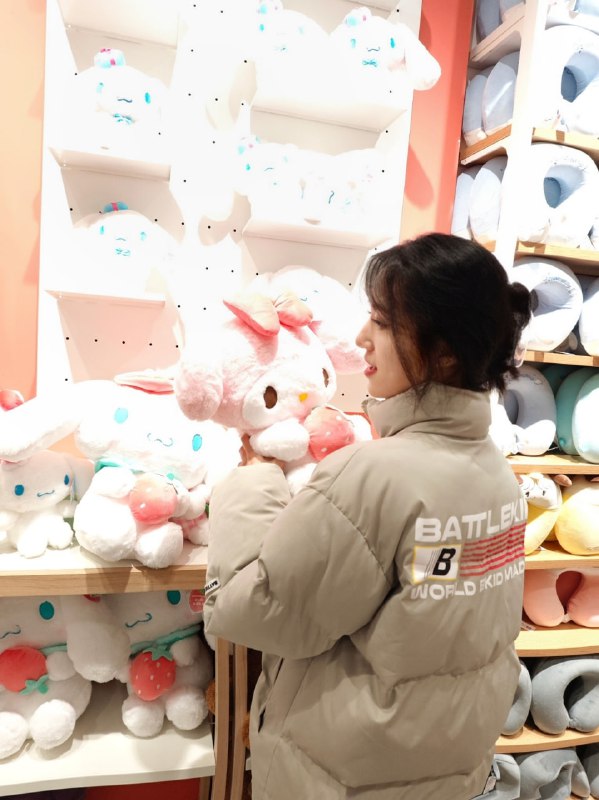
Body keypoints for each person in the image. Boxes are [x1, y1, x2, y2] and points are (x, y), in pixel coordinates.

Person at [202, 232, 532, 800]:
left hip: (347, 777)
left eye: (381, 321)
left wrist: (254, 480)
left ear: (444, 351)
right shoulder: (497, 473)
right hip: (445, 770)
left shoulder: (372, 475)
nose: (361, 338)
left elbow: (253, 610)